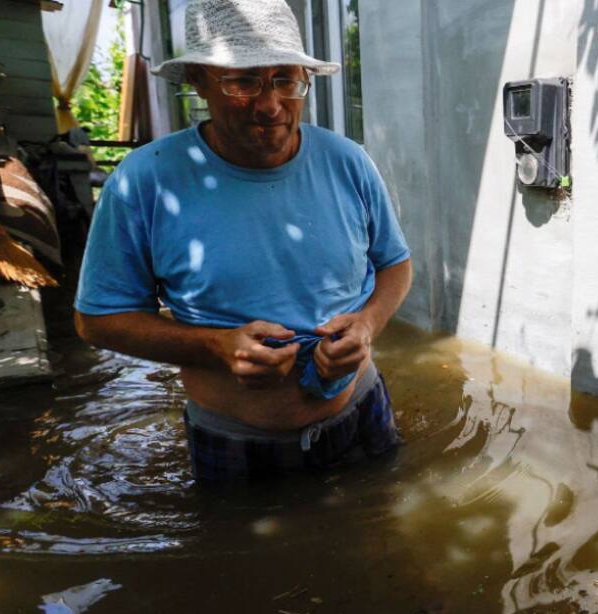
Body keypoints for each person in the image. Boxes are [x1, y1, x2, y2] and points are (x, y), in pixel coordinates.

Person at [73, 0, 413, 481]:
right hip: (234, 439)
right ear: (198, 79)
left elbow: (395, 264)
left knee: (385, 537)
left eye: (285, 80)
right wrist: (216, 345)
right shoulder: (144, 182)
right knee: (240, 556)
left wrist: (368, 324)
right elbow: (98, 321)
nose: (270, 105)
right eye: (243, 81)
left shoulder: (347, 161)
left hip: (361, 407)